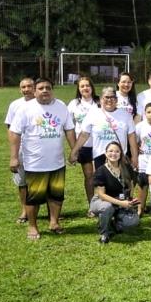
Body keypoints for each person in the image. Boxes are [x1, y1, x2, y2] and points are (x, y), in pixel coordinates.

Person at [9, 78, 77, 240]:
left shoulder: (61, 106)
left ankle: (54, 222)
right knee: (34, 198)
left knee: (56, 195)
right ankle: (32, 227)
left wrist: (74, 151)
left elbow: (69, 130)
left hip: (57, 162)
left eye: (48, 87)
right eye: (41, 88)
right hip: (34, 163)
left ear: (52, 90)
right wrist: (13, 157)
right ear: (35, 91)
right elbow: (15, 133)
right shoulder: (25, 109)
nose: (45, 90)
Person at [70, 86, 138, 173]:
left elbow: (131, 136)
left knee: (119, 184)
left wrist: (135, 156)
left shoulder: (126, 115)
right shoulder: (93, 114)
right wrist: (74, 152)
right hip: (100, 157)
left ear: (116, 100)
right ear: (101, 99)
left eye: (112, 97)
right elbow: (84, 135)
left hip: (119, 157)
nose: (109, 100)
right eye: (106, 97)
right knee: (100, 185)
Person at [89, 142, 140, 244]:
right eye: (111, 151)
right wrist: (121, 203)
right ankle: (104, 232)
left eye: (117, 151)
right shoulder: (101, 171)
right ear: (106, 153)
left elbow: (131, 184)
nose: (114, 154)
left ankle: (113, 224)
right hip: (102, 201)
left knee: (133, 221)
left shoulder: (126, 167)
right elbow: (102, 195)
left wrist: (130, 199)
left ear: (121, 153)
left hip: (120, 200)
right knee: (107, 207)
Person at [66, 76, 100, 214]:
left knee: (102, 175)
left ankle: (105, 204)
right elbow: (69, 126)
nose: (85, 88)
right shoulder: (74, 104)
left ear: (92, 87)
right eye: (82, 86)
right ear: (79, 89)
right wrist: (75, 147)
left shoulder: (99, 102)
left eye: (87, 85)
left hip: (100, 145)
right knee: (89, 176)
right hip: (84, 146)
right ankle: (92, 205)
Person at [4, 76, 34, 223]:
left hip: (38, 149)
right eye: (23, 87)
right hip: (21, 149)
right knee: (22, 182)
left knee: (44, 180)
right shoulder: (15, 105)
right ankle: (24, 210)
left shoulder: (42, 103)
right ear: (20, 89)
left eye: (29, 86)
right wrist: (13, 154)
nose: (26, 90)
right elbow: (10, 129)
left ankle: (51, 211)